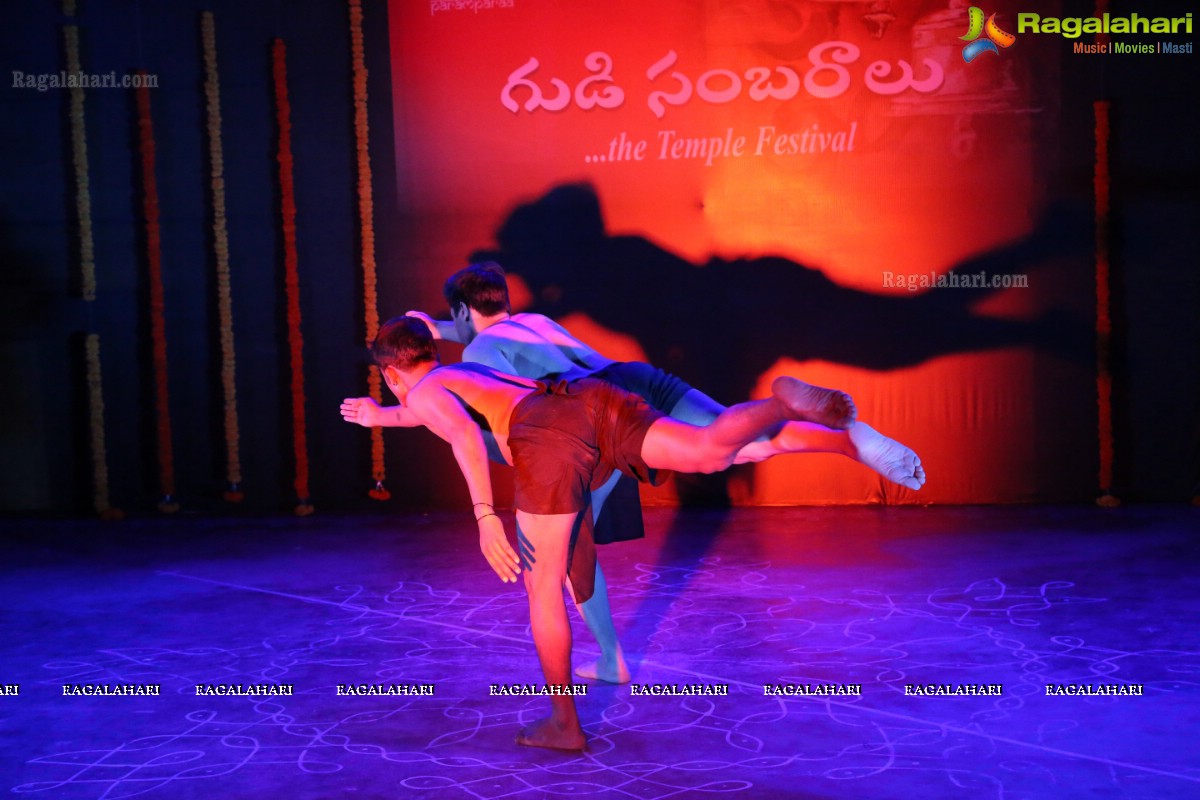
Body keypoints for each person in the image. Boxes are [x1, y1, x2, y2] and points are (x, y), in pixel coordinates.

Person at [341, 315, 860, 751]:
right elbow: (432, 411)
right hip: (586, 398)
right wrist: (382, 417)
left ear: (390, 372)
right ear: (430, 350)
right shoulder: (463, 369)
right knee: (707, 450)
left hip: (546, 437)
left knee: (542, 589)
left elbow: (459, 435)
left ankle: (565, 726)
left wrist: (483, 517)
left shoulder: (430, 389)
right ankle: (779, 407)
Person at [395, 263, 925, 682]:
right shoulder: (535, 322)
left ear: (464, 312)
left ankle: (609, 660)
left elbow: (470, 403)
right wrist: (438, 325)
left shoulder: (479, 350)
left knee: (571, 548)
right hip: (633, 380)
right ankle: (846, 441)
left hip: (593, 421)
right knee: (735, 440)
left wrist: (396, 405)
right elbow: (479, 329)